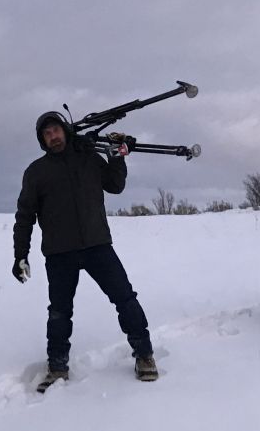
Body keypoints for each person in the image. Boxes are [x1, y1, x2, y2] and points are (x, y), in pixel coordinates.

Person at [12, 112, 158, 392]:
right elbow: (25, 215)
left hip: (97, 245)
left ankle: (144, 355)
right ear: (42, 140)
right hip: (59, 253)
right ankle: (57, 367)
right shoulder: (36, 172)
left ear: (65, 131)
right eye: (47, 134)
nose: (53, 136)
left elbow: (115, 186)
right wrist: (21, 253)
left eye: (56, 130)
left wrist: (117, 157)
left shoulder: (89, 158)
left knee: (125, 299)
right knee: (59, 312)